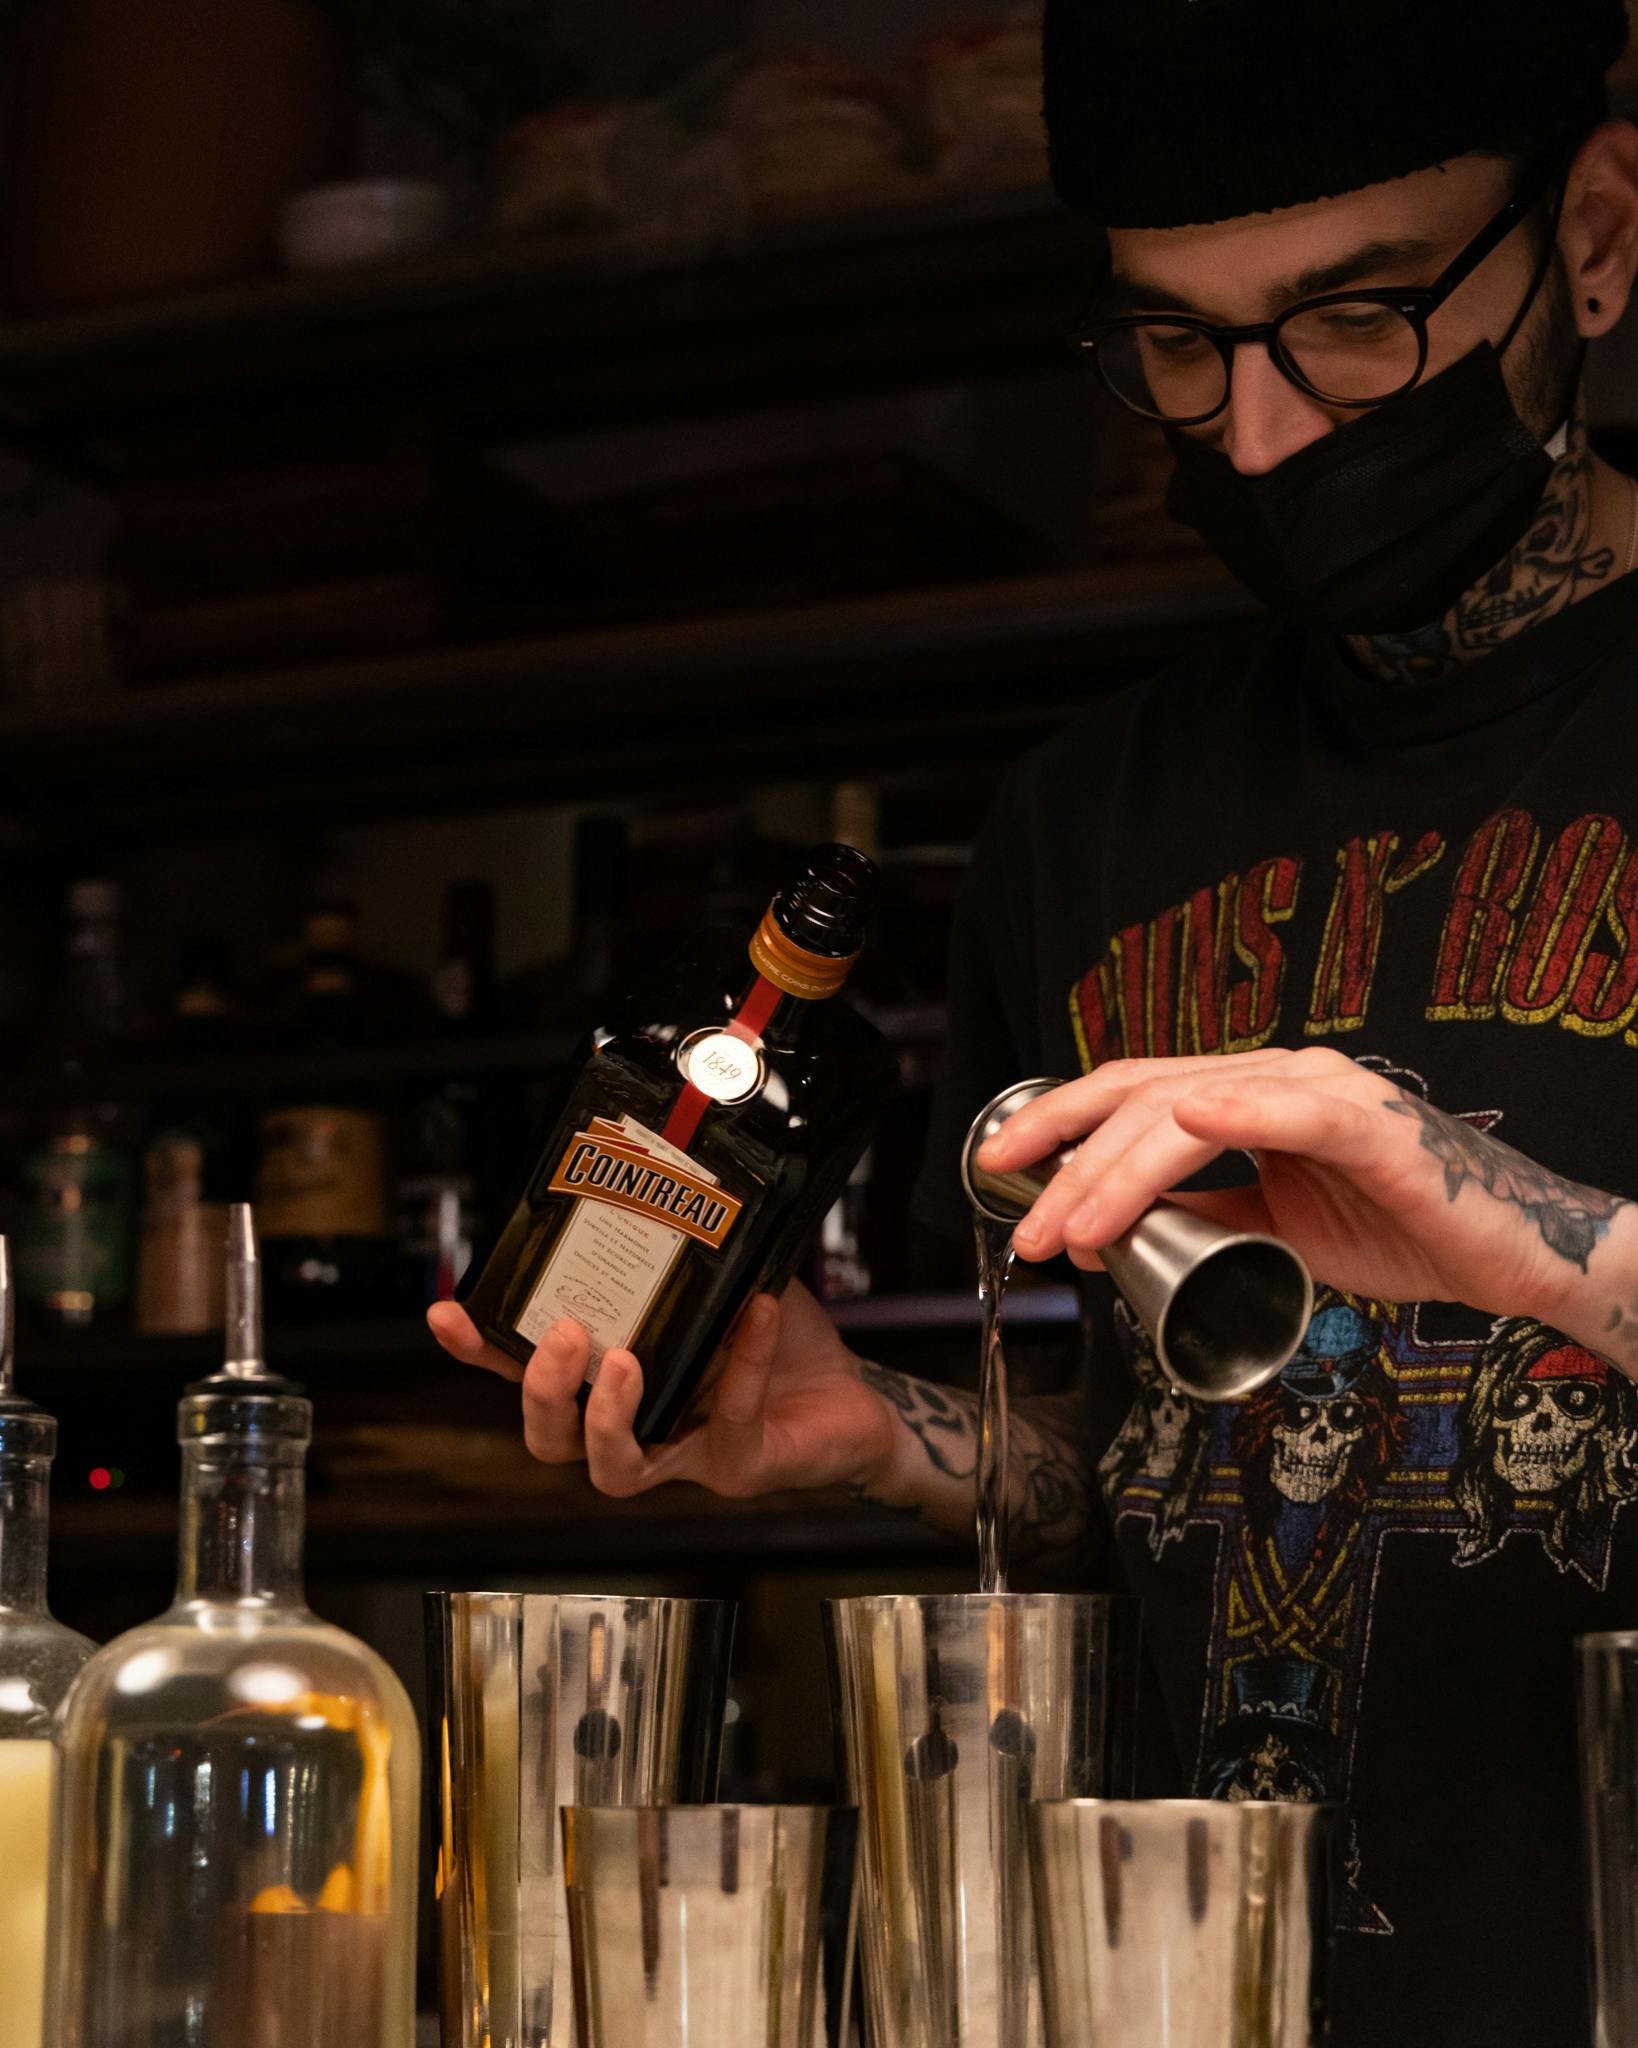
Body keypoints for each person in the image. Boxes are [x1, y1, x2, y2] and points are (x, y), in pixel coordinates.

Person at [431, 4, 1638, 2040]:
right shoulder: (1086, 825)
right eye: (1180, 343)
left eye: (1354, 319)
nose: (1253, 438)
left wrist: (1501, 1212)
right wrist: (884, 1439)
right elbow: (1152, 1466)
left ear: (1596, 238)